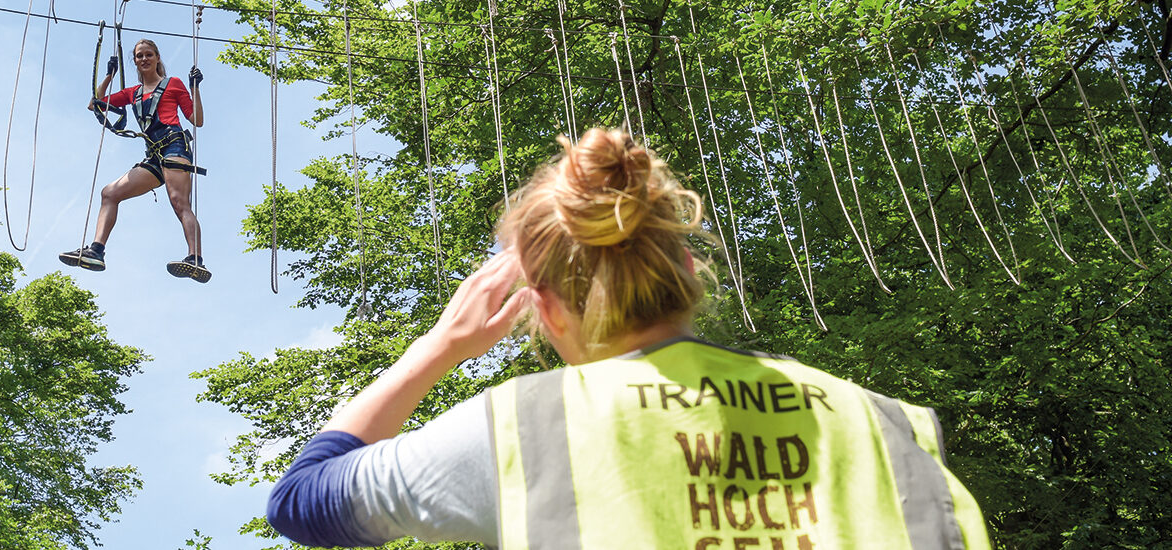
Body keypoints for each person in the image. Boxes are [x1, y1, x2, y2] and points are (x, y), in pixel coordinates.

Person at [266, 128, 990, 549]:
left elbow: (301, 501)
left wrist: (442, 344)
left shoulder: (526, 429)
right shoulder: (885, 423)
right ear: (685, 265)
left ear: (545, 312)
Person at [59, 38, 211, 283]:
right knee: (109, 193)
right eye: (139, 56)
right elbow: (95, 104)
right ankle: (96, 251)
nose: (144, 59)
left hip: (174, 147)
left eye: (148, 55)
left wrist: (195, 88)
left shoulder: (173, 84)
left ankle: (195, 258)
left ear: (157, 58)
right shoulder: (134, 93)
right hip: (153, 155)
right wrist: (109, 75)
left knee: (179, 203)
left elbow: (197, 119)